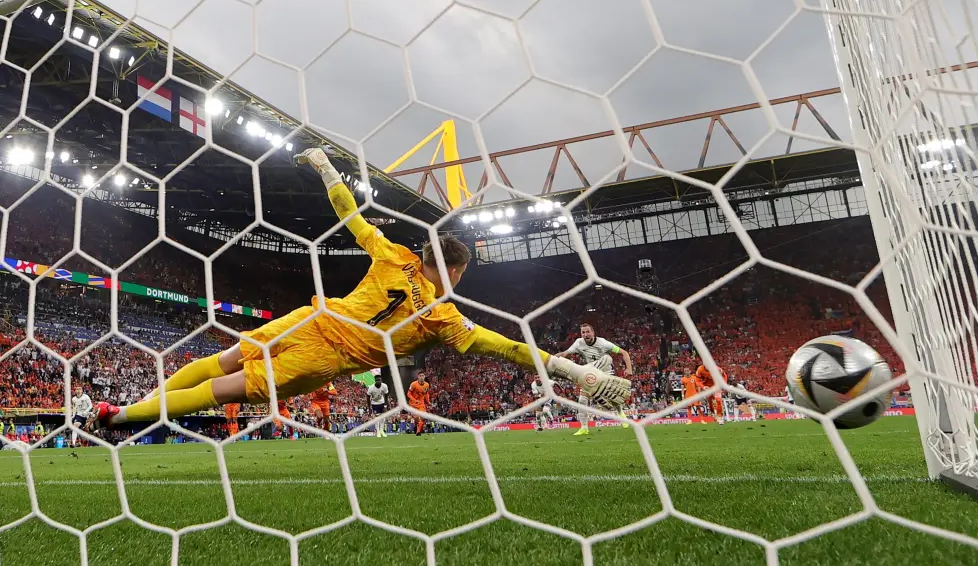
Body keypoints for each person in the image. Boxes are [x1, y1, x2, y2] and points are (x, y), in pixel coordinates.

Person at [86, 147, 629, 431]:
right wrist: (570, 368)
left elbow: (352, 217)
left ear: (425, 255)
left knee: (220, 362)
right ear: (457, 272)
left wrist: (327, 168)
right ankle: (124, 417)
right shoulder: (444, 317)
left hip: (312, 317)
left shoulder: (395, 255)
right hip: (327, 356)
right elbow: (503, 346)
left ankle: (129, 407)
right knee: (223, 391)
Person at [555, 323, 632, 436]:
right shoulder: (578, 343)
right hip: (591, 373)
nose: (585, 334)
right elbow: (565, 354)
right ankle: (584, 428)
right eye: (583, 332)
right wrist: (550, 359)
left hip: (605, 371)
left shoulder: (603, 343)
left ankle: (621, 414)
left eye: (587, 332)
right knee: (582, 400)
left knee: (612, 395)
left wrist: (629, 368)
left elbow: (623, 352)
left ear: (593, 333)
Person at [366, 371, 390, 438]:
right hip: (374, 403)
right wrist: (369, 408)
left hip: (382, 402)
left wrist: (386, 405)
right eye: (377, 380)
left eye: (379, 380)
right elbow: (368, 398)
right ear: (375, 381)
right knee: (377, 417)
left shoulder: (384, 386)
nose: (378, 381)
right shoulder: (371, 388)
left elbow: (386, 396)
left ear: (381, 380)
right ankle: (378, 431)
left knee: (383, 417)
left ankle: (382, 430)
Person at [407, 372, 431, 436]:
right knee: (416, 418)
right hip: (413, 404)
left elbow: (426, 393)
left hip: (421, 404)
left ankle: (418, 431)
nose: (421, 377)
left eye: (422, 375)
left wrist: (428, 402)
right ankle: (415, 426)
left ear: (424, 377)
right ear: (418, 377)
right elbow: (408, 394)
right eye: (420, 376)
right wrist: (415, 400)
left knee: (423, 417)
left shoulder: (427, 385)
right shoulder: (413, 384)